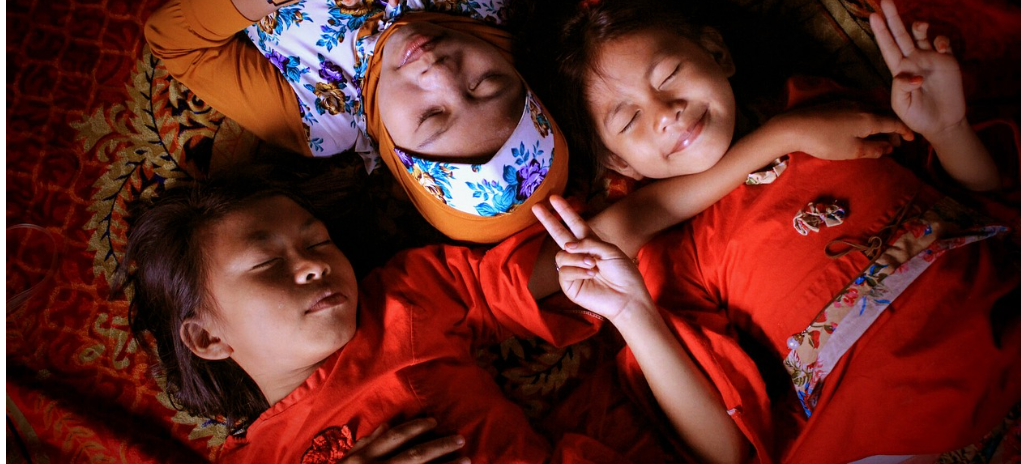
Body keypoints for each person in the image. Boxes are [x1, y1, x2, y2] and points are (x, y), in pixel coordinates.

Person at [533, 0, 1019, 463]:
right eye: (628, 120)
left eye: (671, 75)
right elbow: (724, 451)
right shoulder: (678, 252)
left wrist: (948, 130)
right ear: (620, 164)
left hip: (990, 298)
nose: (665, 112)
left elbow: (983, 197)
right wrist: (632, 312)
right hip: (886, 412)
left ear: (717, 53)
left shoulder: (814, 102)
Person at [123, 168, 750, 464]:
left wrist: (763, 147)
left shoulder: (402, 301)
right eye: (266, 264)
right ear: (207, 336)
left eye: (318, 242)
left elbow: (588, 253)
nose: (312, 266)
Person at [146, 0, 567, 243]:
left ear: (399, 159)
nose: (440, 73)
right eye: (486, 83)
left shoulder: (319, 120)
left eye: (431, 116)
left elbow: (175, 42)